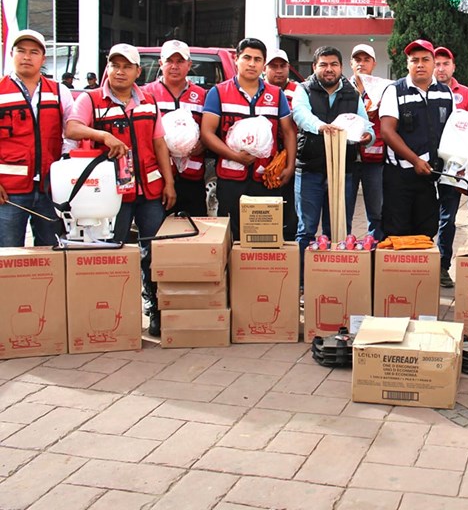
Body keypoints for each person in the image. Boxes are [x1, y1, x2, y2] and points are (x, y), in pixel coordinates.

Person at [65, 43, 176, 337]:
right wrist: (102, 134)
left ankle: (154, 309)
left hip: (149, 190)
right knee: (112, 251)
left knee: (155, 253)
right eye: (115, 65)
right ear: (107, 69)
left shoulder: (148, 100)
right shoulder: (91, 100)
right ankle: (111, 312)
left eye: (127, 66)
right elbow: (72, 128)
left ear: (138, 72)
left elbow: (159, 143)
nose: (120, 71)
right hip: (111, 195)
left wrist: (169, 182)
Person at [200, 37, 297, 241]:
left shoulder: (276, 94)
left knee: (265, 235)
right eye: (247, 58)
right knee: (230, 235)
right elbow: (207, 134)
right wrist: (235, 156)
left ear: (263, 63)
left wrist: (289, 166)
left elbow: (288, 132)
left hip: (265, 178)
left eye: (257, 59)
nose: (252, 64)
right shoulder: (218, 93)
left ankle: (259, 272)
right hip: (230, 177)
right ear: (236, 59)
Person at [291, 46, 373, 252]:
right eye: (324, 64)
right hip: (310, 168)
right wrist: (320, 127)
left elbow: (365, 123)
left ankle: (335, 278)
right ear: (314, 67)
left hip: (343, 170)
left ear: (341, 67)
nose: (329, 69)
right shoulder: (304, 89)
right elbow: (300, 114)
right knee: (306, 229)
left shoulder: (352, 94)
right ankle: (303, 279)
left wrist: (367, 136)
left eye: (334, 64)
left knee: (338, 228)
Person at [0, 29, 74, 247]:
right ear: (11, 54)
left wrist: (63, 164)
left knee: (52, 253)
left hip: (50, 189)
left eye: (33, 52)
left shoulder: (59, 91)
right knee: (7, 255)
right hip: (9, 192)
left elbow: (72, 130)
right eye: (21, 51)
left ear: (43, 58)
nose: (26, 57)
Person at [378, 39, 454, 237]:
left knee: (426, 232)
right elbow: (387, 131)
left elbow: (452, 132)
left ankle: (421, 269)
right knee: (397, 232)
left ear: (433, 62)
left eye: (425, 59)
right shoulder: (394, 91)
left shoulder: (445, 93)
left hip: (430, 177)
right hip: (400, 177)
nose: (420, 64)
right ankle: (397, 270)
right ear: (407, 64)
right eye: (414, 60)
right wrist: (415, 160)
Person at [433, 46, 468, 287]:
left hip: (453, 168)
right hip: (426, 163)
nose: (440, 68)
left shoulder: (465, 94)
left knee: (447, 218)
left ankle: (443, 266)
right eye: (437, 63)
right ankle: (420, 262)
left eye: (445, 63)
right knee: (424, 216)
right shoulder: (423, 89)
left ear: (453, 67)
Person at [143, 40, 208, 217]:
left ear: (189, 65)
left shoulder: (202, 95)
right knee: (157, 235)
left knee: (195, 235)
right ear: (160, 63)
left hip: (193, 176)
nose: (174, 66)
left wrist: (204, 143)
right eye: (169, 61)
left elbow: (210, 131)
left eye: (180, 61)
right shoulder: (146, 94)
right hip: (158, 177)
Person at [345, 44, 385, 241]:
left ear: (374, 64)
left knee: (377, 212)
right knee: (343, 212)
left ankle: (375, 250)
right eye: (357, 60)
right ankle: (346, 254)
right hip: (347, 159)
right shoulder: (342, 88)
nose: (361, 63)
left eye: (366, 60)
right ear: (351, 63)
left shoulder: (383, 89)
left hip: (375, 160)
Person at [265, 48, 299, 241]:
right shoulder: (259, 89)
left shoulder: (300, 91)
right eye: (273, 66)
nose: (278, 70)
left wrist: (290, 162)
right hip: (265, 158)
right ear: (265, 68)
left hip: (290, 155)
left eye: (282, 66)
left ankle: (288, 243)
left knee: (289, 206)